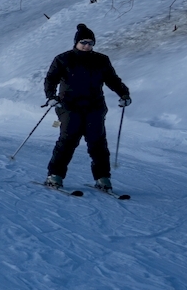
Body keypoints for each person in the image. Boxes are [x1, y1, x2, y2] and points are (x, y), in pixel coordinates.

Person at [43, 23, 131, 190]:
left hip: (94, 106)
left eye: (90, 43)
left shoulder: (101, 60)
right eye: (83, 42)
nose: (86, 46)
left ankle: (102, 178)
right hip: (68, 106)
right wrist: (51, 97)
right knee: (67, 140)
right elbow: (50, 79)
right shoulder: (63, 59)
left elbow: (112, 79)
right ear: (76, 42)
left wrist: (124, 94)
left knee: (97, 143)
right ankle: (55, 175)